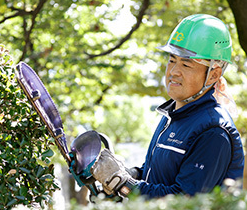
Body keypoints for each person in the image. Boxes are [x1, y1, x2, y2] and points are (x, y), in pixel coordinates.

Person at [91, 14, 245, 199]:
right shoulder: (173, 116)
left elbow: (184, 202)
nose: (173, 72)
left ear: (213, 75)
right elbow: (158, 175)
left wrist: (122, 184)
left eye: (186, 64)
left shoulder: (213, 132)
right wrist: (132, 173)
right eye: (172, 60)